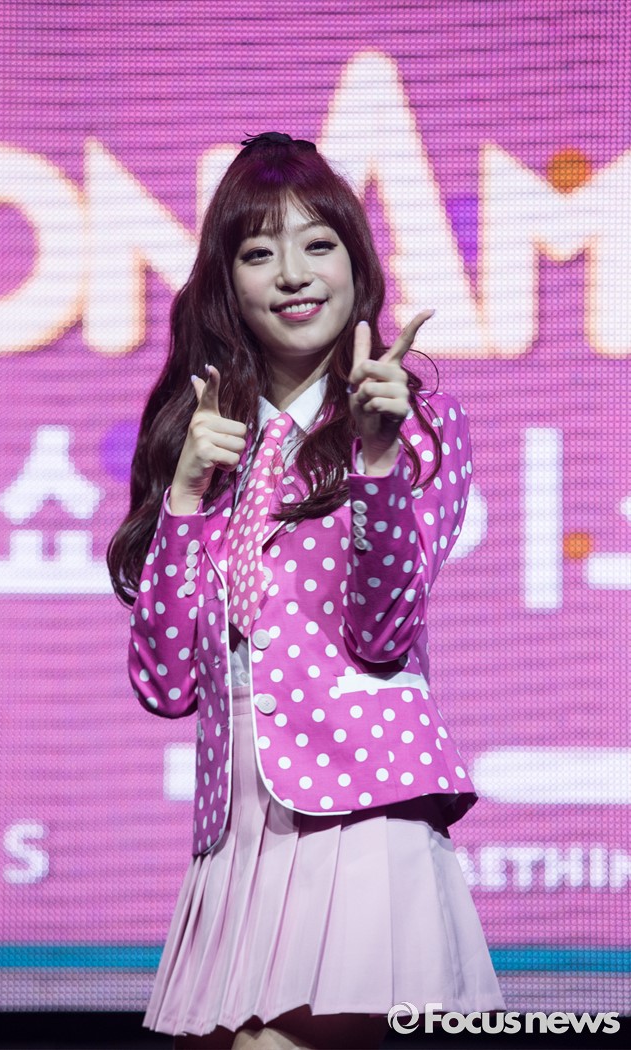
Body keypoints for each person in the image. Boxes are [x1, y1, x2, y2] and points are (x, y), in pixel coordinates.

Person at [108, 131, 505, 1050]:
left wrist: (375, 462)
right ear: (227, 284)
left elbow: (384, 629)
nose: (292, 274)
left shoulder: (418, 421)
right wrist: (183, 498)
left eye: (317, 244)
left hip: (359, 806)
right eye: (259, 252)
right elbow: (164, 683)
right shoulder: (207, 436)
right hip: (238, 825)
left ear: (356, 263)